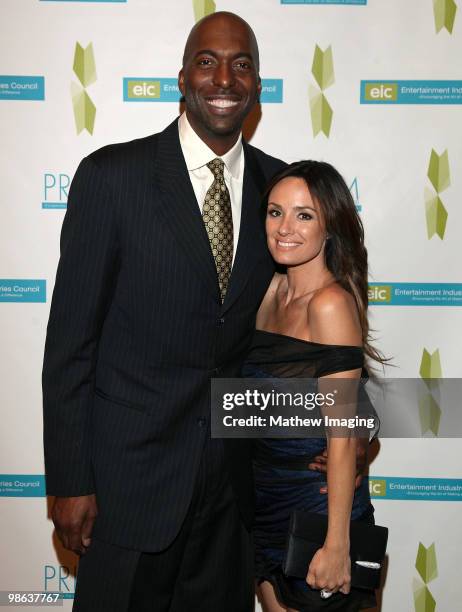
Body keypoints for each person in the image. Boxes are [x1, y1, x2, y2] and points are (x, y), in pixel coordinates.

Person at [42, 11, 368, 611]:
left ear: (258, 85)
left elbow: (311, 335)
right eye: (208, 61)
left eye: (242, 64)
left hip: (233, 501)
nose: (225, 77)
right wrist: (69, 480)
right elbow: (69, 346)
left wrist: (355, 429)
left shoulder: (282, 193)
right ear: (183, 77)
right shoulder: (112, 178)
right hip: (125, 488)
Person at [242, 161, 383, 611]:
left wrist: (337, 543)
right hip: (264, 508)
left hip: (317, 514)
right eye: (275, 212)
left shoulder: (330, 304)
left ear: (330, 227)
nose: (285, 228)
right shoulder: (270, 292)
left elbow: (341, 438)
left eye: (304, 215)